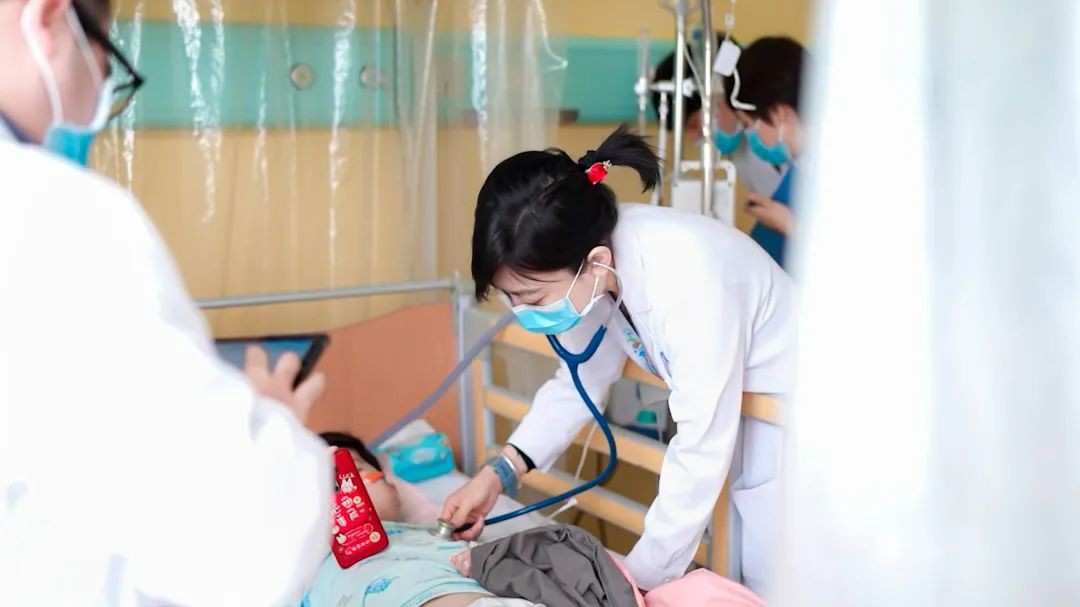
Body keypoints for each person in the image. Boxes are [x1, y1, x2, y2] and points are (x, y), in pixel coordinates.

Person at [1, 1, 331, 604]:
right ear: (48, 22)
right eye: (105, 66)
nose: (97, 99)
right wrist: (273, 422)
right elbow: (248, 545)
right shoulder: (52, 214)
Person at [439, 125, 796, 594]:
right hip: (745, 416)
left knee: (785, 579)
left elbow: (700, 445)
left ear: (596, 261)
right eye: (511, 297)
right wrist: (497, 473)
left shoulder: (687, 277)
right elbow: (578, 384)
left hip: (796, 414)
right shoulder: (590, 270)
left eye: (532, 298)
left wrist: (633, 585)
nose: (522, 312)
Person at [304, 432, 538, 607]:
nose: (344, 490)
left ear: (394, 492)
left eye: (354, 471)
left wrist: (466, 544)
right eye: (324, 483)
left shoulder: (434, 534)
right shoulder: (302, 565)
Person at [651, 32, 785, 201]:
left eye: (694, 125)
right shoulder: (742, 153)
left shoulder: (777, 138)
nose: (694, 139)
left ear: (723, 97)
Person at [725, 36, 808, 268]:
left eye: (749, 124)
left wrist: (787, 223)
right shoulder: (801, 167)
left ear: (778, 113)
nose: (751, 136)